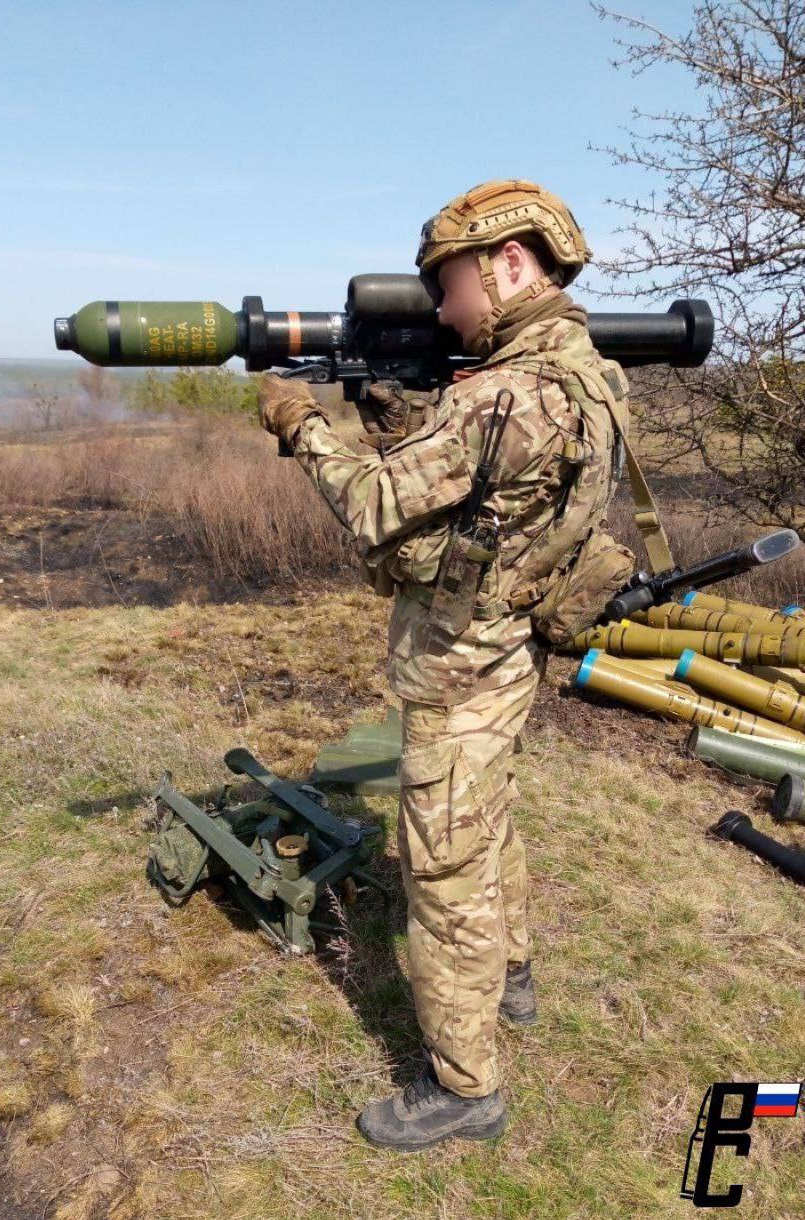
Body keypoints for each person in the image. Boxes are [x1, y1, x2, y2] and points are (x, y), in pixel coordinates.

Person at [257, 179, 640, 1152]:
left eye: (451, 282)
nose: (440, 306)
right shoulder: (590, 374)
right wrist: (402, 409)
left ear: (512, 264)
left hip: (460, 670)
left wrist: (304, 424)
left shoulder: (502, 396)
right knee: (490, 824)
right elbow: (485, 502)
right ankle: (511, 977)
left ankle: (465, 1086)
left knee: (444, 875)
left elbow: (379, 507)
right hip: (509, 655)